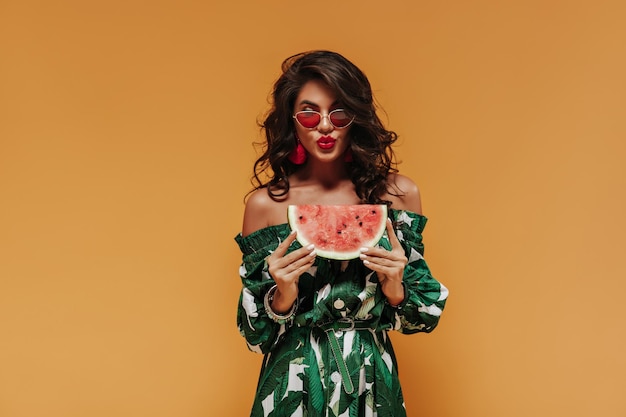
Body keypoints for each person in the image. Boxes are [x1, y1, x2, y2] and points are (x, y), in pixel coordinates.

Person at [235, 50, 448, 417]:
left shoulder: (398, 195)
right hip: (292, 379)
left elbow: (424, 317)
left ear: (356, 117)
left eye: (339, 112)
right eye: (309, 112)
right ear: (292, 120)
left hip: (370, 376)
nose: (324, 126)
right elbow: (255, 336)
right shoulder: (265, 205)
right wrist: (281, 295)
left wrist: (396, 287)